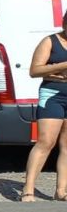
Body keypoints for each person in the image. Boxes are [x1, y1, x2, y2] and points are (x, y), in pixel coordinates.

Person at [19, 12, 67, 202]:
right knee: (46, 142)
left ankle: (61, 191)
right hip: (53, 96)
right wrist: (60, 66)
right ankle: (28, 189)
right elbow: (34, 70)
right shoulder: (50, 41)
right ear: (64, 22)